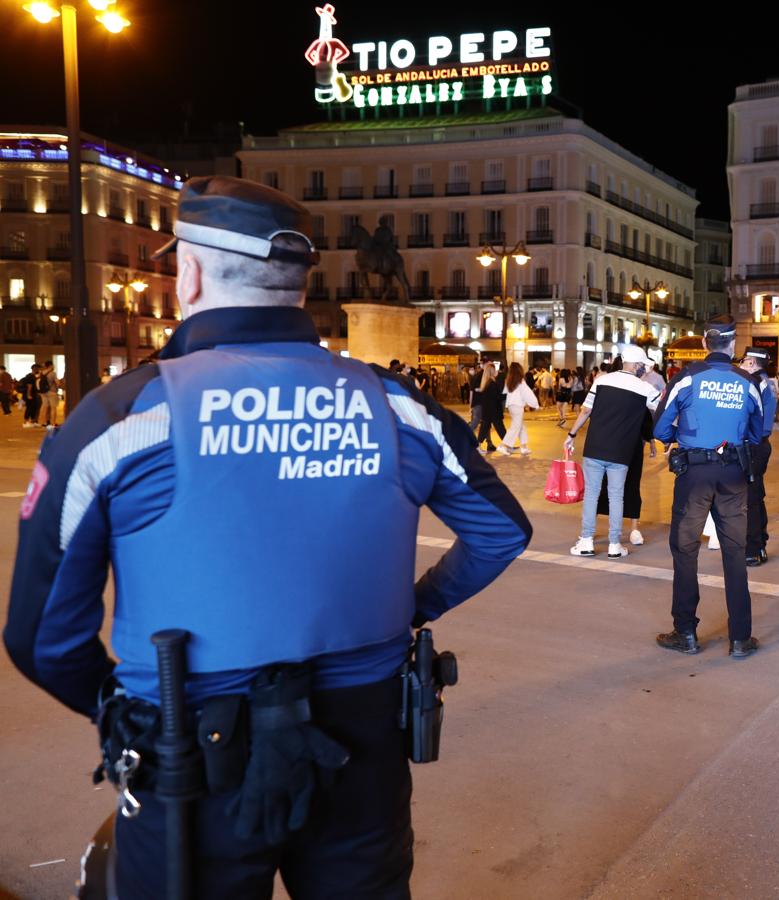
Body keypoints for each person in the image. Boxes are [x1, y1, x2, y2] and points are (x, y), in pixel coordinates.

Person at [3, 175, 532, 899]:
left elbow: (41, 639)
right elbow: (500, 532)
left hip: (186, 752)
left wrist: (122, 711)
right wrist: (415, 607)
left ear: (187, 271)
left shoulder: (122, 417)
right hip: (362, 745)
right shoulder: (399, 405)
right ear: (298, 281)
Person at [653, 315, 765, 658]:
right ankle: (740, 638)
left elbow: (659, 428)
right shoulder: (747, 382)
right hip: (733, 474)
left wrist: (682, 437)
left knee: (686, 551)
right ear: (732, 345)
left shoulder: (685, 379)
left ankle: (685, 632)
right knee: (734, 552)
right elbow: (757, 433)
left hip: (693, 474)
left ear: (704, 343)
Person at [564, 345, 662, 558]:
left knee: (592, 494)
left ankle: (586, 541)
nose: (644, 370)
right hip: (622, 451)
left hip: (595, 447)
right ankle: (615, 545)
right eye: (643, 366)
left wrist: (571, 435)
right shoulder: (644, 388)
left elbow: (586, 410)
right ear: (636, 365)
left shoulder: (601, 381)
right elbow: (662, 409)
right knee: (616, 496)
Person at [738, 346, 778, 567]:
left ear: (752, 363)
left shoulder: (755, 383)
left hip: (753, 446)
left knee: (749, 500)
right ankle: (760, 543)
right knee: (756, 496)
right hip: (760, 445)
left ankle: (752, 550)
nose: (740, 365)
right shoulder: (766, 382)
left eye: (743, 361)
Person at [497, 362, 539, 456]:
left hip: (511, 406)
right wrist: (535, 404)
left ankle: (524, 447)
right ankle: (503, 445)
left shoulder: (509, 380)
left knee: (520, 426)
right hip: (518, 406)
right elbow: (527, 394)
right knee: (516, 427)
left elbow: (505, 391)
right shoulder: (520, 381)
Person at [475, 362, 506, 453]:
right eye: (494, 369)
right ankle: (508, 445)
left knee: (486, 427)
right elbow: (497, 397)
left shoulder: (487, 382)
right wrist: (507, 395)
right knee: (499, 427)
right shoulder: (491, 383)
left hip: (488, 410)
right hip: (493, 410)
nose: (496, 371)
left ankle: (477, 446)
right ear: (491, 371)